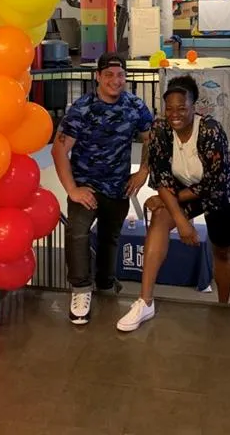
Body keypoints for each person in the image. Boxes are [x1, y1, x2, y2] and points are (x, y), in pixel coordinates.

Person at [117, 74, 230, 332]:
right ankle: (145, 301)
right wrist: (179, 219)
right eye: (170, 109)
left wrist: (173, 202)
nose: (175, 114)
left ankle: (223, 306)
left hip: (224, 194)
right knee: (160, 219)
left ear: (194, 107)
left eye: (182, 108)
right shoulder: (160, 129)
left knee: (221, 251)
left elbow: (213, 185)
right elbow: (162, 179)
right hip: (186, 189)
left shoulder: (210, 130)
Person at [52, 52, 153, 325]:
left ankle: (106, 285)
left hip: (119, 189)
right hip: (86, 188)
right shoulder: (82, 109)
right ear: (97, 77)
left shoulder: (135, 106)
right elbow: (59, 149)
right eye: (108, 75)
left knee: (110, 239)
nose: (115, 80)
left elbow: (152, 139)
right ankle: (81, 290)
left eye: (120, 75)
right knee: (78, 234)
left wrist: (143, 171)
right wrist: (72, 190)